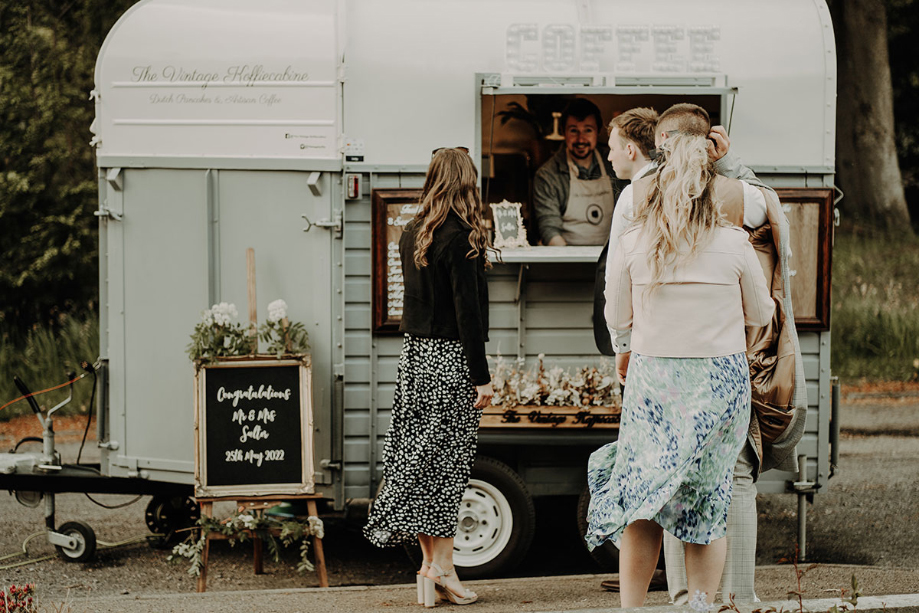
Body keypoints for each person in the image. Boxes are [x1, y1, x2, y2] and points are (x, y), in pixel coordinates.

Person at [585, 107, 776, 609]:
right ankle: (699, 605)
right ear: (711, 190)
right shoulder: (734, 243)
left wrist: (627, 348)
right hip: (718, 381)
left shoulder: (635, 240)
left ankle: (631, 608)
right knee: (707, 500)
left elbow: (617, 310)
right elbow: (761, 313)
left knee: (644, 500)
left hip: (655, 379)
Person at [364, 147, 494, 607]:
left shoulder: (413, 232)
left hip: (415, 359)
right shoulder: (461, 236)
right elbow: (469, 315)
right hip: (449, 360)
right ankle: (442, 567)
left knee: (422, 464)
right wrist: (481, 377)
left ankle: (434, 566)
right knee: (447, 468)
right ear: (467, 182)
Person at [533, 98, 626, 246]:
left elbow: (629, 217)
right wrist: (571, 264)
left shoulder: (614, 165)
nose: (580, 139)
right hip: (566, 259)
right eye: (573, 131)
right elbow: (549, 230)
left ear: (598, 132)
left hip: (611, 257)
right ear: (563, 132)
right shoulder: (547, 175)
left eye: (588, 130)